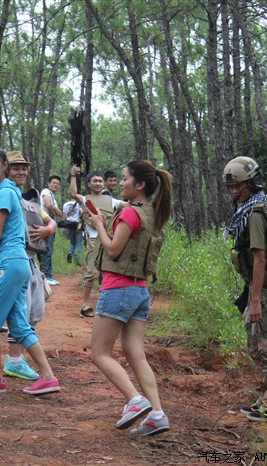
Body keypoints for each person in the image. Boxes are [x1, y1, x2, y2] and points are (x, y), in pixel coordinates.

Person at [86, 160, 173, 436]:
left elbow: (112, 250)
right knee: (136, 354)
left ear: (140, 184)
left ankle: (135, 400)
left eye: (124, 179)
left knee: (100, 353)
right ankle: (157, 414)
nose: (120, 183)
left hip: (117, 290)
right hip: (140, 291)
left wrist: (99, 224)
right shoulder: (151, 212)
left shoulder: (130, 215)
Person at [0, 147, 60, 395]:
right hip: (20, 263)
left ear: (4, 168)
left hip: (9, 261)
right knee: (19, 325)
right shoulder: (11, 192)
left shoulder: (3, 192)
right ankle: (49, 377)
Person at [223, 156, 267, 422]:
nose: (234, 191)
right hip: (259, 284)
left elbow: (260, 258)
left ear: (250, 182)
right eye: (231, 187)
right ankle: (266, 396)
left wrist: (255, 301)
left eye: (238, 185)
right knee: (257, 344)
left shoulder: (256, 213)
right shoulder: (255, 207)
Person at [2, 151, 57, 381]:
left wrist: (49, 229)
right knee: (20, 312)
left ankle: (17, 358)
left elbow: (50, 221)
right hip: (16, 260)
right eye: (16, 168)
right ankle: (14, 360)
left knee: (35, 311)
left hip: (32, 262)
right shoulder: (5, 194)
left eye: (24, 168)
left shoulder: (31, 202)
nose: (21, 172)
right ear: (6, 169)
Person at [69, 165, 124, 318]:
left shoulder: (111, 200)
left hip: (109, 241)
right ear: (89, 184)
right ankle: (85, 304)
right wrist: (73, 175)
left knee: (107, 273)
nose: (98, 183)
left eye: (100, 181)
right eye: (95, 181)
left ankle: (105, 304)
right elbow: (73, 194)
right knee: (91, 273)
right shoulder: (86, 200)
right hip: (93, 241)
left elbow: (127, 206)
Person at [40, 175, 64, 286]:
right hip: (45, 224)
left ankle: (46, 275)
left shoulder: (52, 196)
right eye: (54, 183)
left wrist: (54, 209)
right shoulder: (46, 191)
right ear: (48, 184)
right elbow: (47, 204)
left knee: (48, 250)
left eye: (58, 184)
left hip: (50, 225)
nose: (56, 185)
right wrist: (54, 209)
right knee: (46, 251)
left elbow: (60, 213)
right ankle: (46, 276)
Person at [62, 199, 83, 265]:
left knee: (72, 242)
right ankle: (77, 260)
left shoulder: (65, 204)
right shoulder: (79, 204)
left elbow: (64, 217)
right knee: (78, 243)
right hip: (77, 225)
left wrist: (63, 228)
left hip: (69, 225)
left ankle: (70, 253)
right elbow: (81, 214)